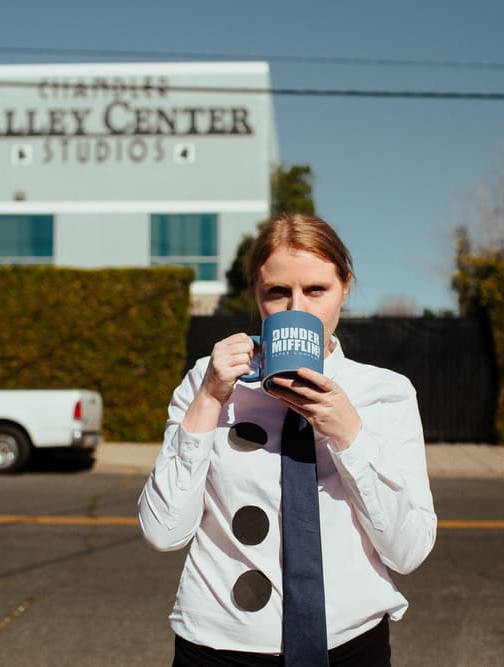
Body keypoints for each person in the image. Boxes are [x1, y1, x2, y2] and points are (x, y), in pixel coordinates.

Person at [139, 213, 437, 666]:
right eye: (277, 292)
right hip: (220, 645)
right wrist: (209, 399)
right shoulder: (209, 379)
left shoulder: (385, 392)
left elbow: (408, 550)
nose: (297, 309)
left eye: (316, 290)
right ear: (256, 297)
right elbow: (162, 532)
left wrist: (348, 433)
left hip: (350, 642)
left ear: (346, 287)